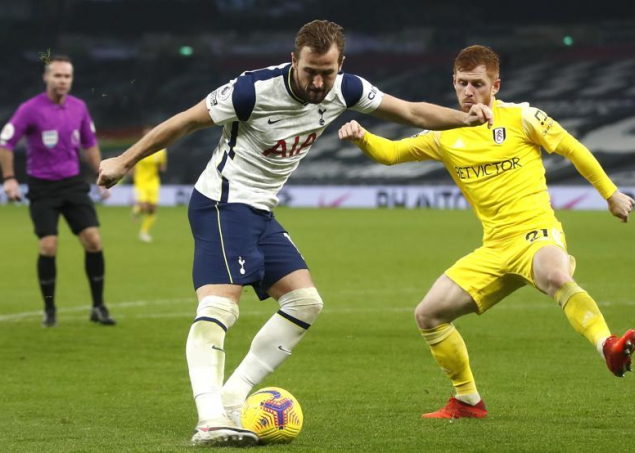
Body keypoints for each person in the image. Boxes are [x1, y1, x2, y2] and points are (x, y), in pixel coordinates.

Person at [97, 20, 493, 446]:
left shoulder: (347, 88)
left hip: (261, 210)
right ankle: (211, 419)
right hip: (222, 202)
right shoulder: (250, 91)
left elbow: (412, 112)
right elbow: (184, 122)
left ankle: (233, 397)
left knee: (305, 302)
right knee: (220, 306)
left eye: (327, 71)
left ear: (341, 64)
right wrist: (124, 160)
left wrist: (465, 120)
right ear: (294, 61)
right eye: (310, 71)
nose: (319, 82)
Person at [338, 45, 635, 419]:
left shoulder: (522, 118)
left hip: (536, 234)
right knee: (428, 314)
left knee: (553, 274)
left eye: (477, 84)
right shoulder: (444, 134)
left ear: (495, 85)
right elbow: (392, 153)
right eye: (462, 83)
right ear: (453, 82)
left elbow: (572, 148)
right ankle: (467, 401)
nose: (468, 92)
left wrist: (611, 195)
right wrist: (362, 137)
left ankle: (607, 346)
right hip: (495, 248)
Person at [0, 54, 115, 328]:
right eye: (57, 75)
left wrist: (101, 174)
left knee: (93, 241)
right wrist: (9, 178)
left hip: (72, 184)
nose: (62, 80)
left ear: (71, 79)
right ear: (46, 78)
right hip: (42, 186)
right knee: (48, 246)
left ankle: (98, 306)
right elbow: (5, 143)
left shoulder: (79, 108)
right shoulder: (29, 109)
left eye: (67, 76)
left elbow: (89, 143)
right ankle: (49, 309)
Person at [131, 128, 167, 243]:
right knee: (144, 206)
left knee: (152, 209)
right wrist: (132, 175)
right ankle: (137, 209)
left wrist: (161, 168)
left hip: (153, 182)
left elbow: (163, 166)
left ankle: (144, 232)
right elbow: (132, 163)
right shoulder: (138, 148)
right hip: (140, 182)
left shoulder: (160, 151)